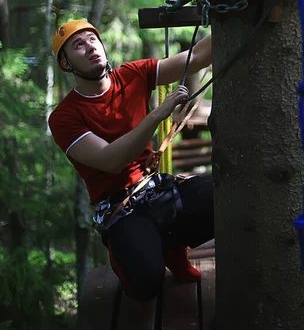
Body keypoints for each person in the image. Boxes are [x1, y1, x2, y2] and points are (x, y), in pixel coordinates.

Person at [49, 19, 214, 316]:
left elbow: (198, 57)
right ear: (66, 63)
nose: (90, 47)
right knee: (145, 286)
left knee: (225, 195)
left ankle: (171, 245)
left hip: (156, 190)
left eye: (92, 40)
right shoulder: (64, 117)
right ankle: (140, 248)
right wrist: (159, 113)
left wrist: (227, 14)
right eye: (78, 45)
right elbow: (111, 160)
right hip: (119, 208)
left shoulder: (134, 74)